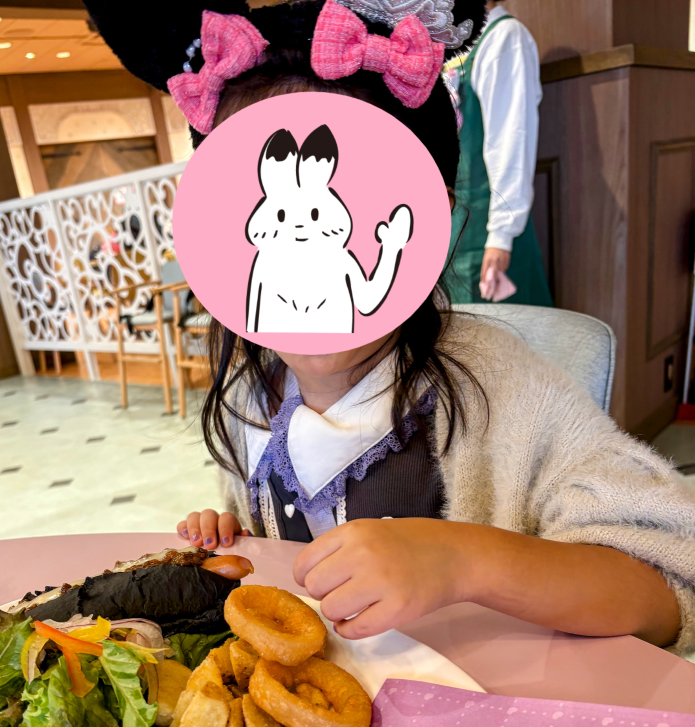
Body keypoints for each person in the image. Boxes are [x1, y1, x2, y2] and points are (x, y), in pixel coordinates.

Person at [85, 0, 695, 656]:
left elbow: (669, 583)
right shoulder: (248, 397)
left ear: (424, 218)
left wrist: (462, 560)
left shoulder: (498, 383)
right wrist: (238, 534)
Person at [444, 0, 552, 305]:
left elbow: (510, 140)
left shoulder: (505, 37)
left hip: (485, 231)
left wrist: (501, 236)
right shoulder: (452, 46)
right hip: (453, 229)